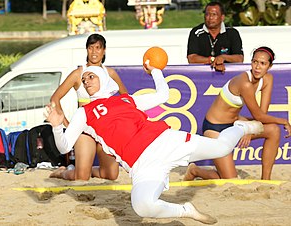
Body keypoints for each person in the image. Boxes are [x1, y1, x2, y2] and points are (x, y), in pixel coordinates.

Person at [45, 63, 264, 223]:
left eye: (90, 76)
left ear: (103, 77)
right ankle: (185, 210)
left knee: (222, 148)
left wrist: (156, 71)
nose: (86, 81)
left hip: (163, 141)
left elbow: (163, 95)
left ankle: (242, 127)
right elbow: (64, 146)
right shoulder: (85, 112)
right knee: (142, 206)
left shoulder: (126, 99)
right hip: (141, 164)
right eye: (84, 80)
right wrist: (56, 125)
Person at [184, 46, 291, 182]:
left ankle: (266, 181)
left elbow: (262, 115)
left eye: (263, 63)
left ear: (269, 66)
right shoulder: (244, 83)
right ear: (251, 62)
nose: (258, 67)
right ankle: (195, 170)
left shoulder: (268, 79)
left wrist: (247, 129)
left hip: (234, 125)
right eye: (255, 62)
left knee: (273, 131)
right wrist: (284, 121)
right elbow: (259, 117)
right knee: (230, 180)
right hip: (215, 128)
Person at [50, 33, 127, 181]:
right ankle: (62, 172)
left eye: (98, 48)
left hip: (105, 129)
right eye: (91, 48)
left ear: (104, 51)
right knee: (81, 178)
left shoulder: (109, 73)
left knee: (111, 175)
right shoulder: (79, 73)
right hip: (85, 131)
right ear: (86, 50)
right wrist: (67, 124)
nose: (94, 52)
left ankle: (84, 170)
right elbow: (55, 98)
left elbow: (126, 98)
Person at [187, 1, 244, 73]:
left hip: (227, 74)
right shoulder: (196, 33)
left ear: (222, 17)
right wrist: (213, 60)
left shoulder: (232, 33)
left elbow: (239, 59)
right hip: (202, 75)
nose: (210, 17)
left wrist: (223, 58)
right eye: (207, 14)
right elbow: (192, 58)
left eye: (214, 14)